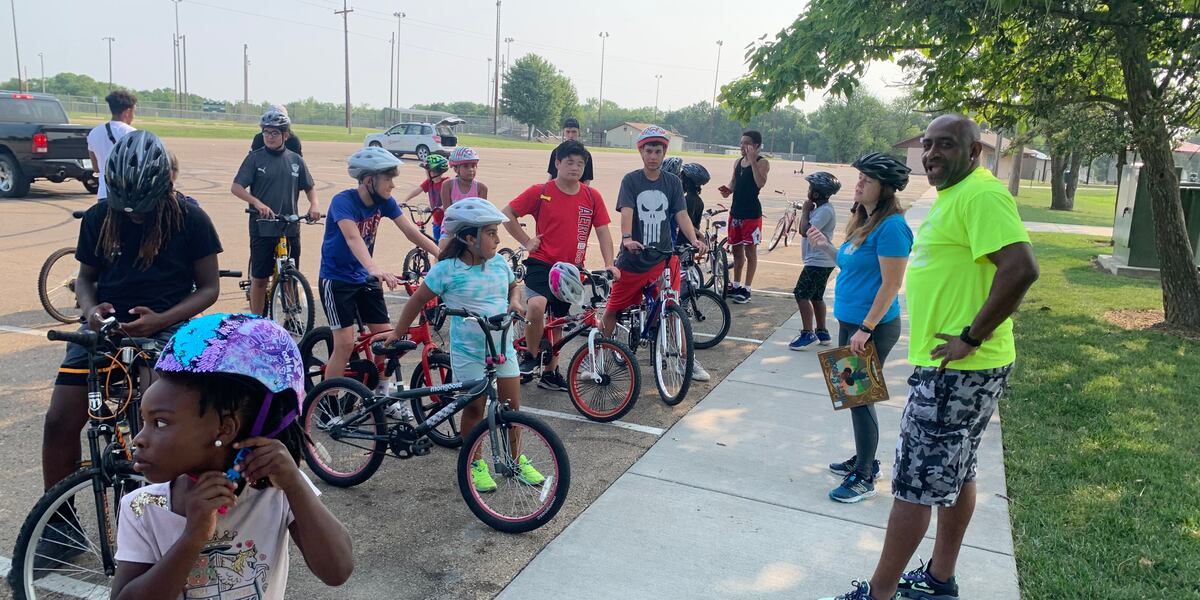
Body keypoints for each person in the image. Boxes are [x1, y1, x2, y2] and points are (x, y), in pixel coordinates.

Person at [821, 115, 1039, 600]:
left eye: (946, 144)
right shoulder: (952, 197)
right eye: (928, 145)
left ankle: (879, 593)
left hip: (955, 368)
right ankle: (940, 581)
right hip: (955, 367)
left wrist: (971, 338)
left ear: (975, 150)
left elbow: (1022, 268)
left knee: (913, 484)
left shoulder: (980, 195)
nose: (932, 153)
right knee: (958, 472)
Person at [39, 131, 222, 567]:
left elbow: (210, 288)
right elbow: (85, 279)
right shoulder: (100, 216)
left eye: (144, 208)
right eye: (127, 207)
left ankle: (172, 517)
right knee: (59, 420)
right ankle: (60, 526)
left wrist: (162, 319)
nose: (135, 216)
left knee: (161, 417)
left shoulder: (191, 218)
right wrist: (89, 309)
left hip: (167, 327)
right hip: (106, 328)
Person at [111, 314, 352, 599]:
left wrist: (296, 485)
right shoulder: (141, 508)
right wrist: (193, 536)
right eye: (144, 420)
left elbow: (337, 571)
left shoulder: (276, 491)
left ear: (224, 429)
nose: (139, 439)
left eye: (160, 423)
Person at [383, 198, 545, 492]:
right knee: (474, 411)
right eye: (491, 233)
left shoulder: (497, 262)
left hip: (502, 347)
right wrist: (399, 332)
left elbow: (513, 285)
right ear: (470, 238)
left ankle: (516, 460)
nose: (498, 238)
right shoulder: (447, 270)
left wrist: (514, 302)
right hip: (470, 354)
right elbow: (417, 300)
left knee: (512, 408)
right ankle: (475, 463)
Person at [805, 153, 913, 504]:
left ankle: (864, 475)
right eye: (860, 178)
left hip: (871, 326)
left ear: (884, 188)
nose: (859, 183)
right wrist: (826, 247)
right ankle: (864, 458)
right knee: (853, 397)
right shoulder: (863, 220)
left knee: (859, 398)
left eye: (867, 179)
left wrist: (866, 328)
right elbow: (852, 266)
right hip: (852, 322)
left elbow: (891, 284)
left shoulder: (892, 227)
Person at [318, 147, 440, 420]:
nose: (393, 184)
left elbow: (410, 231)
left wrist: (441, 255)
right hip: (337, 279)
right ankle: (327, 404)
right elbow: (353, 239)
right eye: (388, 179)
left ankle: (382, 396)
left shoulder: (385, 202)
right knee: (345, 343)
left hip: (365, 279)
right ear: (369, 180)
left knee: (388, 338)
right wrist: (374, 268)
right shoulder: (343, 201)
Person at [502, 139, 618, 391]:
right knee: (536, 305)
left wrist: (610, 264)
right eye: (569, 162)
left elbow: (603, 232)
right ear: (557, 163)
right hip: (542, 263)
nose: (575, 168)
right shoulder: (540, 191)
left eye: (580, 163)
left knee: (559, 322)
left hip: (571, 269)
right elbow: (507, 214)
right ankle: (531, 355)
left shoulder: (591, 196)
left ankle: (550, 373)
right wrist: (526, 240)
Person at [600, 126, 710, 382]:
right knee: (612, 310)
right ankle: (599, 358)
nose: (653, 156)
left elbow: (681, 215)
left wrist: (694, 240)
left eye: (657, 151)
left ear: (664, 153)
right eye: (648, 150)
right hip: (634, 260)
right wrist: (627, 238)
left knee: (673, 309)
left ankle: (685, 360)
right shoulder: (631, 180)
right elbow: (626, 211)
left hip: (663, 259)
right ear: (641, 151)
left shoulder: (672, 182)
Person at [231, 109, 320, 316]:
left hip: (290, 225)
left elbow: (309, 186)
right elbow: (236, 187)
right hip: (262, 226)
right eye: (266, 133)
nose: (270, 137)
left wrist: (314, 204)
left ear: (285, 135)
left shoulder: (296, 159)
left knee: (289, 273)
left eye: (274, 133)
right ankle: (256, 319)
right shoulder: (254, 159)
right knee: (260, 277)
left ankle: (291, 315)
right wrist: (257, 203)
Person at [788, 171, 841, 350]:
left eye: (811, 188)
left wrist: (805, 212)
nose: (808, 191)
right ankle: (822, 331)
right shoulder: (821, 209)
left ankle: (807, 333)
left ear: (817, 193)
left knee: (801, 293)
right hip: (822, 261)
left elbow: (805, 230)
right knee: (816, 297)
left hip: (818, 261)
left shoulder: (825, 211)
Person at [720, 130, 769, 303]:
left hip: (751, 215)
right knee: (736, 251)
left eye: (746, 143)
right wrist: (728, 190)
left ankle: (747, 289)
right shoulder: (738, 162)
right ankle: (736, 284)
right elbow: (734, 182)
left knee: (750, 251)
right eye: (741, 143)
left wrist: (753, 161)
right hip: (736, 212)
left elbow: (759, 183)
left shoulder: (762, 163)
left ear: (756, 145)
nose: (742, 146)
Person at [86, 89, 137, 202]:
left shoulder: (94, 133)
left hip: (104, 194)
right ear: (127, 111)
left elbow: (96, 168)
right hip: (126, 196)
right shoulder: (132, 133)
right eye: (134, 112)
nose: (134, 116)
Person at [400, 154, 450, 240]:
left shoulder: (446, 183)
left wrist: (442, 207)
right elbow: (417, 190)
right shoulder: (429, 182)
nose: (425, 173)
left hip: (446, 222)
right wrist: (405, 200)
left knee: (444, 246)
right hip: (436, 220)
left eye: (427, 171)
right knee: (437, 244)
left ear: (433, 172)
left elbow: (452, 199)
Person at [547, 117, 594, 185]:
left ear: (579, 132)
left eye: (574, 132)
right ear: (564, 132)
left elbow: (587, 180)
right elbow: (551, 176)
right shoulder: (556, 152)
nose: (571, 135)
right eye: (568, 132)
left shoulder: (585, 154)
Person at [680, 163, 710, 231]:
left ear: (687, 182)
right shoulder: (698, 200)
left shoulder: (688, 200)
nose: (680, 182)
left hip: (684, 239)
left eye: (682, 179)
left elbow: (687, 224)